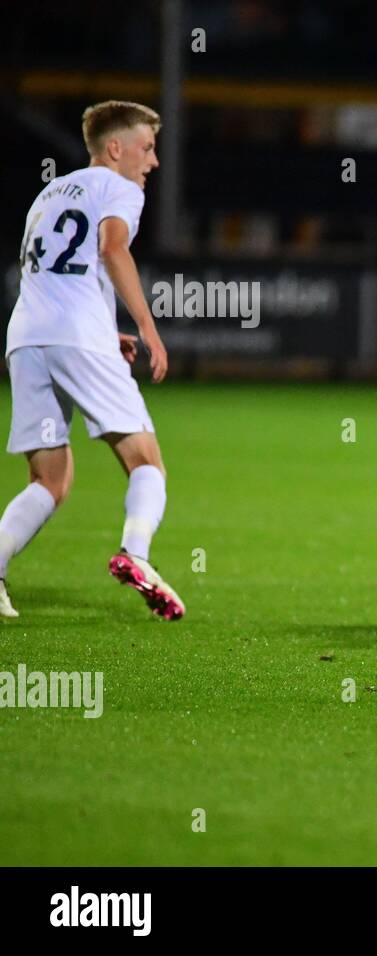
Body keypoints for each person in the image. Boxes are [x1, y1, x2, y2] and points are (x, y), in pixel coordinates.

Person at [1, 100, 183, 620]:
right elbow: (111, 248)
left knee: (49, 481)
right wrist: (148, 328)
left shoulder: (49, 192)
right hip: (76, 336)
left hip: (27, 337)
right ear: (115, 148)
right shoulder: (121, 189)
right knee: (147, 462)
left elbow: (62, 274)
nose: (152, 162)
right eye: (146, 149)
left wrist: (108, 332)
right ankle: (136, 556)